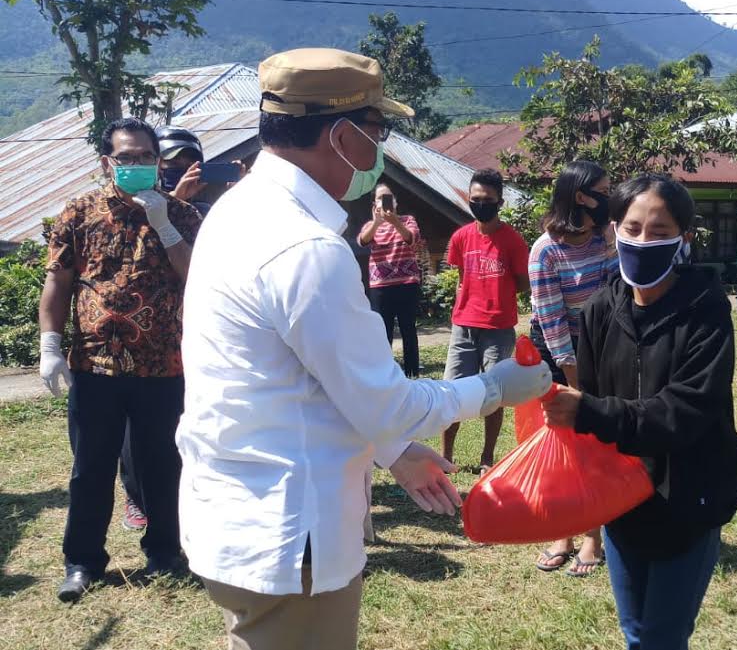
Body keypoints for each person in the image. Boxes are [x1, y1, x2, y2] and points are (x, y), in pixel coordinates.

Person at [176, 48, 551, 650]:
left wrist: (395, 450)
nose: (382, 148)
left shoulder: (240, 209)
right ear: (343, 135)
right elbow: (384, 401)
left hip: (237, 512)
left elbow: (306, 376)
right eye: (379, 130)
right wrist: (493, 388)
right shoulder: (305, 248)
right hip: (291, 529)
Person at [544, 174, 737, 650]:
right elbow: (590, 407)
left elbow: (686, 411)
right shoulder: (597, 310)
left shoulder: (707, 309)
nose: (642, 241)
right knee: (635, 632)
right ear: (613, 230)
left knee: (661, 637)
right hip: (622, 501)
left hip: (688, 499)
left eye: (659, 232)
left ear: (685, 238)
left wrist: (590, 412)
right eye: (632, 228)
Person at [39, 117, 204, 602]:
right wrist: (50, 344)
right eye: (126, 157)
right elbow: (58, 283)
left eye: (145, 157)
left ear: (158, 160)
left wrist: (165, 226)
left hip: (163, 367)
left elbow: (197, 280)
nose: (136, 164)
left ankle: (164, 551)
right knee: (90, 467)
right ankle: (82, 561)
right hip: (96, 368)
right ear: (108, 162)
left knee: (162, 464)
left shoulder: (181, 213)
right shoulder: (79, 213)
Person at [529, 160, 617, 578]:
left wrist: (616, 243)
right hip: (558, 356)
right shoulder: (545, 250)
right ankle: (562, 531)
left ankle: (593, 536)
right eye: (604, 189)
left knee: (595, 447)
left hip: (600, 350)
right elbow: (550, 322)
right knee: (562, 447)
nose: (610, 195)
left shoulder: (604, 239)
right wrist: (573, 384)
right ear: (582, 196)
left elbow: (616, 295)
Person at [440, 168, 531, 472]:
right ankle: (446, 457)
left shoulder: (513, 241)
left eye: (487, 199)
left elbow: (522, 281)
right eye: (475, 199)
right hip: (463, 326)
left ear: (500, 202)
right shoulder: (460, 238)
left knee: (494, 393)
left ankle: (487, 457)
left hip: (498, 328)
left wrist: (498, 298)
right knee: (452, 393)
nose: (481, 204)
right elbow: (461, 277)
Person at [358, 180, 423, 378]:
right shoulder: (370, 225)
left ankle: (412, 372)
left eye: (389, 198)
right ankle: (384, 372)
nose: (385, 202)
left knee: (408, 330)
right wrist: (377, 222)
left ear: (395, 202)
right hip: (381, 288)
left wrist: (395, 221)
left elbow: (412, 238)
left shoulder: (408, 220)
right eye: (380, 198)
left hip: (407, 284)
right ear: (374, 205)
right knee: (382, 332)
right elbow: (362, 241)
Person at [156, 125, 247, 214]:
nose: (185, 173)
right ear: (156, 165)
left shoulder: (203, 212)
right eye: (174, 163)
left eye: (190, 166)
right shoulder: (143, 208)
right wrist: (174, 200)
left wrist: (235, 195)